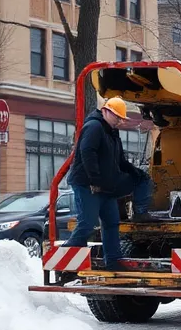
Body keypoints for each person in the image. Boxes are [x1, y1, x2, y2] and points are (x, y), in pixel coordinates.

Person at [64, 97, 152, 269]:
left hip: (105, 187)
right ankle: (67, 256)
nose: (119, 121)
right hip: (87, 185)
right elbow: (87, 153)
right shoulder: (94, 127)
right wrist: (95, 181)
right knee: (87, 223)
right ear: (105, 111)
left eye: (121, 118)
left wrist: (135, 172)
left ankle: (113, 261)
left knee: (111, 223)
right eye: (117, 117)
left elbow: (119, 160)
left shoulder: (112, 132)